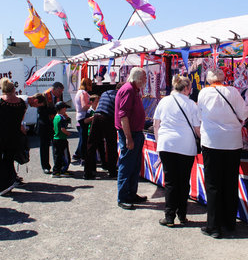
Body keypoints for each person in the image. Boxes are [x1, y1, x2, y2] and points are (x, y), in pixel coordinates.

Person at [197, 68, 248, 239]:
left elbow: (199, 116)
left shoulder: (203, 93)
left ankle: (214, 226)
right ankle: (229, 222)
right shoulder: (233, 92)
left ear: (209, 80)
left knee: (213, 184)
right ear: (223, 78)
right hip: (232, 142)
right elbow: (244, 113)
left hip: (211, 142)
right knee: (230, 181)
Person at [153, 74, 200, 227]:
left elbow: (156, 125)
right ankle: (182, 215)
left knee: (171, 181)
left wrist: (159, 143)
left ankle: (169, 216)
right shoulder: (192, 104)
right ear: (186, 89)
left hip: (167, 144)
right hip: (186, 146)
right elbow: (197, 128)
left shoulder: (164, 101)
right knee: (183, 181)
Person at [0, 78, 27, 196]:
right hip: (14, 136)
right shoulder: (21, 103)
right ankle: (10, 182)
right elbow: (21, 120)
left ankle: (2, 186)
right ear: (14, 89)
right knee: (8, 160)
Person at [115, 67, 148, 210]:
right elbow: (124, 116)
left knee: (134, 165)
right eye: (145, 78)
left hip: (136, 132)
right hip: (130, 133)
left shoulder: (134, 90)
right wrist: (129, 138)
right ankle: (123, 197)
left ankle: (131, 194)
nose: (146, 80)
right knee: (127, 165)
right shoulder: (128, 90)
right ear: (139, 78)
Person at [84, 86, 119, 180]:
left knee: (91, 145)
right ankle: (112, 171)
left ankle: (88, 172)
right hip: (108, 118)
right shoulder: (119, 95)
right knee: (111, 145)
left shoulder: (105, 93)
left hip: (96, 116)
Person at [39, 83, 63, 174]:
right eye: (59, 91)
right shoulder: (44, 95)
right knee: (44, 146)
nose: (60, 94)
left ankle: (57, 165)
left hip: (55, 124)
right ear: (55, 89)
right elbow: (41, 111)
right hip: (45, 124)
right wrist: (54, 110)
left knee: (56, 145)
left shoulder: (58, 97)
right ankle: (45, 166)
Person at [73, 78, 92, 164]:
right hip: (83, 116)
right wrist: (92, 103)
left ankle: (79, 154)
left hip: (80, 116)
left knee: (82, 137)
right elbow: (84, 106)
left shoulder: (79, 92)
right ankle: (83, 158)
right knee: (84, 138)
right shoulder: (83, 93)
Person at [52, 101, 72, 177]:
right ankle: (62, 170)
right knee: (65, 156)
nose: (66, 109)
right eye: (65, 108)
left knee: (58, 155)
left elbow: (54, 128)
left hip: (56, 138)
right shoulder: (62, 118)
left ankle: (57, 170)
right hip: (61, 139)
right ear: (62, 109)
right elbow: (63, 129)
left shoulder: (56, 117)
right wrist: (68, 133)